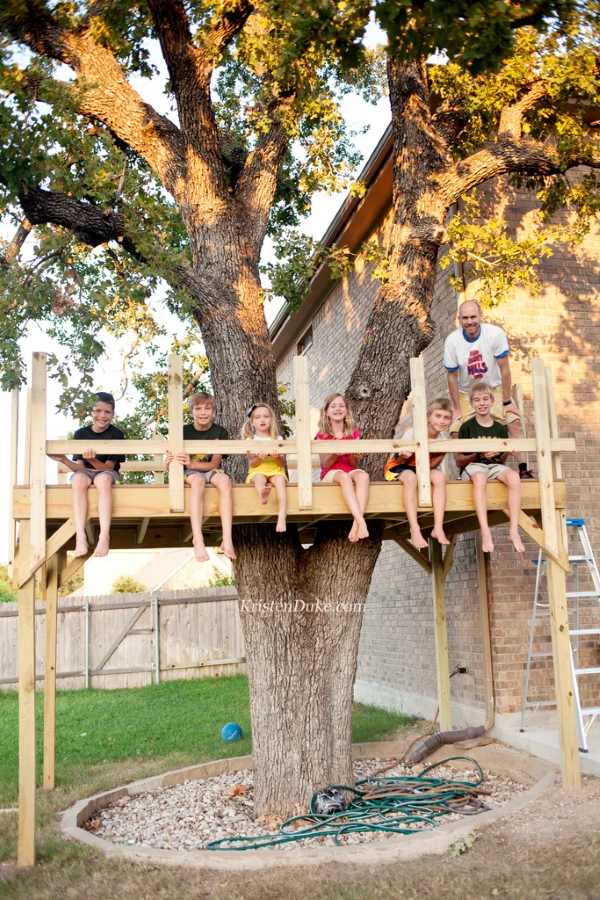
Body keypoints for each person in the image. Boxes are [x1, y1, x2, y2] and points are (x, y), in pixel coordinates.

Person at [444, 299, 532, 478]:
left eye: (473, 317)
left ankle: (522, 468)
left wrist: (507, 401)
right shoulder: (452, 341)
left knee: (513, 421)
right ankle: (461, 470)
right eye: (465, 318)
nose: (470, 321)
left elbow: (505, 369)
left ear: (480, 316)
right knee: (455, 427)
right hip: (466, 391)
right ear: (459, 318)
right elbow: (451, 377)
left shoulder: (494, 334)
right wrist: (456, 408)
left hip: (494, 388)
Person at [47, 391, 125, 558]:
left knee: (103, 480)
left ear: (113, 414)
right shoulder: (80, 434)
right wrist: (64, 460)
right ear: (91, 412)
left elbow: (109, 468)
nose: (102, 415)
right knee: (79, 480)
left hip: (106, 472)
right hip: (86, 473)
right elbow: (80, 468)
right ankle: (80, 537)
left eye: (107, 412)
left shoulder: (117, 434)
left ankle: (104, 536)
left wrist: (94, 460)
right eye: (97, 411)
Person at [455, 381, 525, 555]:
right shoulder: (467, 427)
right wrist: (479, 454)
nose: (482, 403)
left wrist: (505, 451)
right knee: (480, 478)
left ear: (492, 402)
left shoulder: (500, 428)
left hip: (494, 466)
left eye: (486, 399)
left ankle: (514, 530)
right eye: (477, 400)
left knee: (514, 478)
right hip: (474, 466)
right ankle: (485, 531)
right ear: (472, 404)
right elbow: (459, 460)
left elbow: (501, 461)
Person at [165, 392, 235, 562]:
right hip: (190, 473)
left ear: (214, 412)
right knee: (198, 481)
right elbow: (171, 461)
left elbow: (213, 464)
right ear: (191, 411)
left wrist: (191, 464)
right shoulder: (182, 432)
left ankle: (227, 539)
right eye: (198, 408)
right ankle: (198, 538)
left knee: (225, 481)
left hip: (206, 469)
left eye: (207, 408)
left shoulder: (220, 432)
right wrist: (170, 462)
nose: (203, 412)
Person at [384, 398, 453, 549]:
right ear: (429, 416)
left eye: (446, 417)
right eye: (438, 416)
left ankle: (438, 527)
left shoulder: (443, 440)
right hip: (399, 467)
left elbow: (431, 466)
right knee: (411, 477)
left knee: (440, 477)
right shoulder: (413, 432)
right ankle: (414, 528)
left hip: (422, 469)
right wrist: (403, 455)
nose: (441, 421)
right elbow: (398, 459)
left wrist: (441, 453)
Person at [315, 393, 370, 542]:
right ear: (326, 412)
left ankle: (356, 524)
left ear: (346, 410)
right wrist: (335, 452)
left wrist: (353, 454)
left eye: (341, 405)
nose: (337, 409)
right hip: (330, 474)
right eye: (333, 406)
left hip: (348, 469)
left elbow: (352, 464)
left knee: (363, 476)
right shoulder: (322, 435)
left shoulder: (353, 433)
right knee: (344, 477)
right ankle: (362, 522)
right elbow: (325, 464)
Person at [242, 403, 287, 533]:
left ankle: (282, 516)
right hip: (258, 469)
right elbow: (253, 464)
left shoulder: (277, 438)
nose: (262, 420)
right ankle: (262, 493)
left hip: (275, 469)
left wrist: (277, 456)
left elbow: (281, 464)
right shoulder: (250, 440)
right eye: (258, 417)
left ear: (271, 419)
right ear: (252, 422)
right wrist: (260, 457)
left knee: (280, 481)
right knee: (259, 478)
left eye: (266, 416)